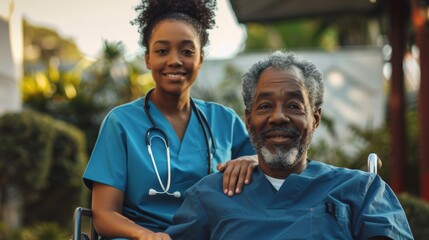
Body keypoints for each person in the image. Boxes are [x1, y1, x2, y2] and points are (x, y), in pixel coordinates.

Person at [165, 51, 414, 239]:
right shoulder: (209, 195)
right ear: (248, 120)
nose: (278, 117)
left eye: (294, 106)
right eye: (264, 106)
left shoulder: (361, 189)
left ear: (315, 119)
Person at [82, 0, 257, 239]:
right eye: (162, 51)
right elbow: (103, 214)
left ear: (201, 58)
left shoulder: (224, 120)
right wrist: (146, 235)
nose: (175, 60)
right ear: (147, 59)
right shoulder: (120, 123)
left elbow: (267, 166)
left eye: (187, 51)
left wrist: (252, 159)